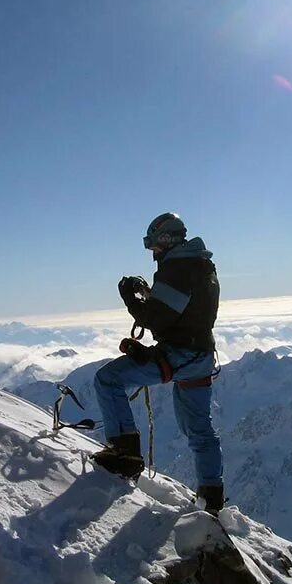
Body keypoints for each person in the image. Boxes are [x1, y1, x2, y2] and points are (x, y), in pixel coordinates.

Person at [91, 212, 225, 513]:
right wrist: (149, 294)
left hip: (179, 355)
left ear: (167, 241)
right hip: (202, 355)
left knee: (108, 380)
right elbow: (182, 308)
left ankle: (123, 455)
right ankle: (212, 494)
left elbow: (156, 319)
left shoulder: (177, 268)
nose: (153, 252)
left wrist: (130, 297)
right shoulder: (201, 265)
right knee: (199, 429)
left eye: (154, 245)